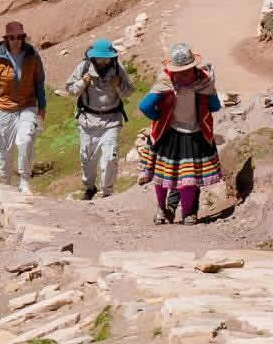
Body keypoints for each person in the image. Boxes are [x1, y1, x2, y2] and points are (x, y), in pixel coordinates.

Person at [138, 42, 223, 225]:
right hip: (190, 134)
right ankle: (187, 215)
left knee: (165, 174)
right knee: (188, 177)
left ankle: (163, 210)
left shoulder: (167, 81)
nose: (184, 75)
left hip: (168, 134)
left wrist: (158, 117)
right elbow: (215, 106)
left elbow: (145, 106)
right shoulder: (202, 81)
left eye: (187, 71)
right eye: (182, 72)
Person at [0, 20, 45, 194]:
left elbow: (39, 81)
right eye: (12, 37)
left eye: (19, 37)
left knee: (25, 140)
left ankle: (24, 180)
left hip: (27, 106)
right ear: (6, 39)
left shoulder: (32, 55)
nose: (16, 41)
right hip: (4, 108)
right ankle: (5, 183)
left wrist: (42, 108)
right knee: (4, 151)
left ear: (23, 38)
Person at [64, 38, 133, 198]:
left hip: (111, 121)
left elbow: (128, 92)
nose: (102, 61)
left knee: (110, 157)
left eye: (106, 58)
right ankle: (89, 187)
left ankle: (107, 192)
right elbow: (70, 90)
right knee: (86, 159)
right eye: (99, 58)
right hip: (87, 121)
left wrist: (117, 84)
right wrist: (82, 82)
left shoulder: (118, 69)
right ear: (93, 57)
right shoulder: (84, 67)